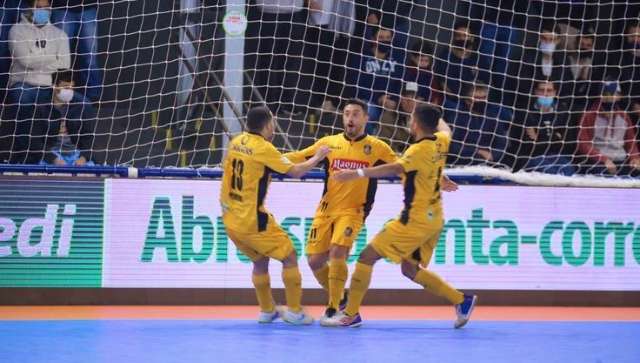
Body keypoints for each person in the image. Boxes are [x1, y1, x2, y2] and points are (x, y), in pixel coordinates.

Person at [325, 103, 477, 328]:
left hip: (413, 220)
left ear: (415, 123)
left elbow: (395, 168)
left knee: (366, 257)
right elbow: (446, 130)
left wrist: (355, 173)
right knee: (410, 269)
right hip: (434, 218)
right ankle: (462, 301)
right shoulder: (441, 142)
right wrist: (433, 113)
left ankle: (351, 313)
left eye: (411, 117)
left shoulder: (416, 151)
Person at [284, 98, 397, 325]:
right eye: (346, 113)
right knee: (315, 261)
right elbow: (299, 156)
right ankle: (343, 298)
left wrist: (430, 176)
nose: (350, 118)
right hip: (326, 209)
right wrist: (268, 159)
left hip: (354, 210)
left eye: (356, 114)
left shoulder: (377, 147)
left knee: (337, 252)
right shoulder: (329, 143)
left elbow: (402, 166)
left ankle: (333, 308)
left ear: (366, 118)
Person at [220, 106, 330, 324]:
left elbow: (265, 163)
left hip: (230, 220)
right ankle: (295, 311)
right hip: (252, 220)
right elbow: (296, 172)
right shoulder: (264, 148)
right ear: (268, 124)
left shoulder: (236, 142)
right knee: (289, 256)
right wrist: (318, 156)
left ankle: (267, 309)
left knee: (260, 261)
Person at [7, 0, 71, 163]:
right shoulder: (16, 31)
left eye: (46, 7)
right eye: (38, 7)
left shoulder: (59, 34)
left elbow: (64, 64)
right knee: (24, 99)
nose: (43, 11)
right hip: (23, 83)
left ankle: (81, 156)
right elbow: (25, 61)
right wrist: (52, 58)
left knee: (80, 102)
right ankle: (31, 158)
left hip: (49, 86)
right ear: (30, 9)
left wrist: (36, 58)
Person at [577, 80, 640, 176]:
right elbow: (584, 144)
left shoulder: (624, 116)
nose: (608, 97)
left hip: (622, 160)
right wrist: (603, 159)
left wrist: (634, 157)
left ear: (619, 96)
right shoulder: (589, 116)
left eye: (612, 94)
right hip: (598, 161)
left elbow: (631, 142)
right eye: (605, 94)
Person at [512, 80, 576, 175]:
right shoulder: (525, 112)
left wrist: (539, 137)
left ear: (555, 92)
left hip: (557, 155)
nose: (545, 94)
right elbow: (525, 144)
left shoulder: (563, 112)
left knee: (568, 171)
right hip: (532, 156)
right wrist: (554, 136)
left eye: (549, 90)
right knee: (549, 172)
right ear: (535, 92)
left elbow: (568, 141)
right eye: (541, 90)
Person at [348, 26, 403, 133]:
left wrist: (394, 101)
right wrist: (378, 99)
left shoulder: (397, 58)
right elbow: (355, 85)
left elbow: (400, 84)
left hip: (391, 105)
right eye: (381, 37)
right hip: (368, 102)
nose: (385, 41)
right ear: (373, 39)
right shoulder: (361, 57)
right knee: (366, 113)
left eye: (388, 37)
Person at [443, 82, 510, 166]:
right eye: (477, 98)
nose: (481, 101)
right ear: (468, 100)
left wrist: (493, 155)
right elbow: (454, 146)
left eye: (484, 97)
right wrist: (477, 151)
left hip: (490, 161)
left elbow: (501, 144)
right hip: (463, 161)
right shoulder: (456, 117)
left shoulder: (493, 117)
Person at [50, 0, 102, 101]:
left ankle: (93, 98)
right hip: (61, 7)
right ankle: (57, 97)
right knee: (59, 56)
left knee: (89, 58)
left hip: (88, 7)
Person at [432, 20, 491, 103]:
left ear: (472, 37)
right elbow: (447, 88)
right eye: (458, 35)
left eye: (465, 36)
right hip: (453, 102)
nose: (461, 39)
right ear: (454, 37)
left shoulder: (479, 58)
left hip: (478, 101)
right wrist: (466, 98)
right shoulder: (445, 57)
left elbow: (486, 84)